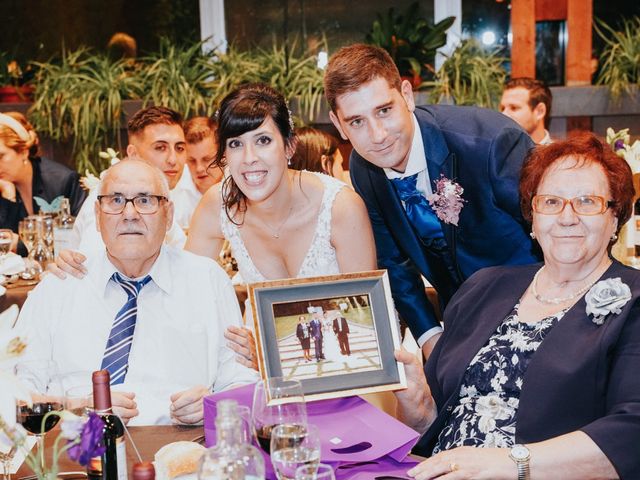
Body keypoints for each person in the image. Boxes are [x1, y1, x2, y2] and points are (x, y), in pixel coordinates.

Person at [395, 133, 639, 479]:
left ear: (614, 219)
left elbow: (632, 433)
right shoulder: (484, 287)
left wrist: (512, 463)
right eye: (551, 202)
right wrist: (419, 410)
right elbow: (434, 427)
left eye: (587, 202)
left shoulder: (634, 300)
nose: (567, 217)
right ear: (533, 218)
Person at [324, 44, 540, 359]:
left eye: (384, 110)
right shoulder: (363, 168)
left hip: (535, 309)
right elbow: (393, 263)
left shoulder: (490, 142)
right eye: (356, 121)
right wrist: (430, 337)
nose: (378, 134)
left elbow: (554, 230)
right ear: (338, 124)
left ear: (407, 96)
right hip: (461, 325)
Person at [16, 160, 257, 426]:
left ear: (169, 214)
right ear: (97, 215)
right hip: (75, 453)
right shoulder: (59, 287)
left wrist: (214, 405)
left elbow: (242, 381)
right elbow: (16, 392)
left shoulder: (208, 282)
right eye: (116, 200)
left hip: (181, 452)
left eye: (145, 200)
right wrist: (79, 407)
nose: (129, 213)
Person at [185, 83, 376, 368]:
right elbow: (186, 296)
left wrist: (269, 355)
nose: (249, 158)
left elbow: (365, 324)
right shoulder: (218, 204)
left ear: (289, 146)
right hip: (255, 377)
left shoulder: (340, 208)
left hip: (346, 371)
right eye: (236, 144)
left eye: (263, 141)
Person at [64, 106, 188, 259]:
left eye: (180, 148)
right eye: (160, 148)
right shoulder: (109, 203)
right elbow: (91, 267)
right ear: (133, 154)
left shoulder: (160, 198)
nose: (173, 160)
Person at [0, 112, 86, 236]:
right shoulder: (3, 186)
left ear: (24, 152)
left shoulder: (63, 180)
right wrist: (9, 195)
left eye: (1, 156)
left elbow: (81, 234)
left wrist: (20, 246)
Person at [173, 116, 223, 230]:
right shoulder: (174, 191)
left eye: (207, 159)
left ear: (223, 155)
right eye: (192, 161)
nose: (199, 168)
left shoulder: (242, 184)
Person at [499, 77, 553, 145]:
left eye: (514, 108)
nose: (503, 114)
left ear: (540, 111)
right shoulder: (497, 153)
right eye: (502, 108)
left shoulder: (558, 155)